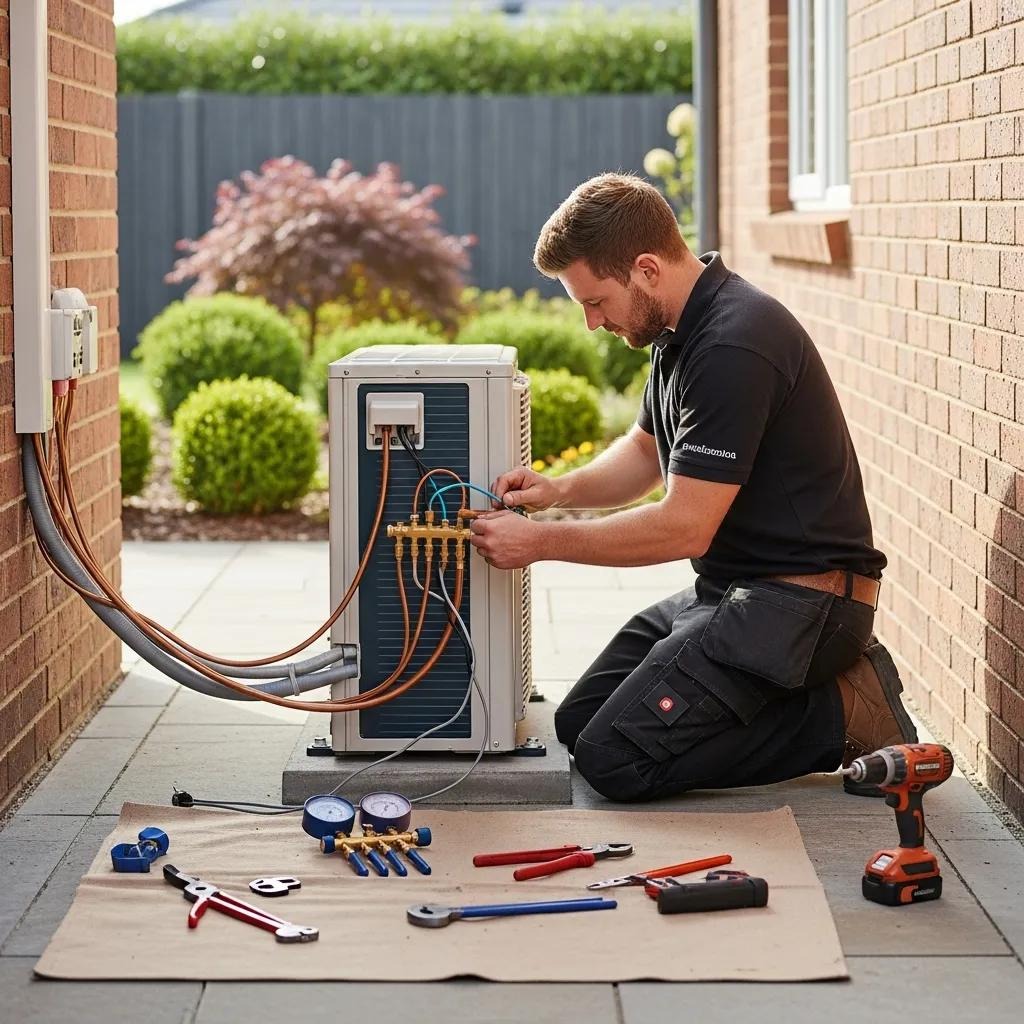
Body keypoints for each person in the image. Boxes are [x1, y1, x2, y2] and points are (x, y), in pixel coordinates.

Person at [467, 172, 917, 802]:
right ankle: (765, 701)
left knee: (615, 760)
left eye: (594, 301)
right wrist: (557, 488)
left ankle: (844, 713)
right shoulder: (677, 330)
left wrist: (538, 543)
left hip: (801, 606)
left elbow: (685, 524)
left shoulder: (735, 343)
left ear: (645, 268)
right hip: (731, 590)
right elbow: (647, 452)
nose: (593, 323)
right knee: (577, 723)